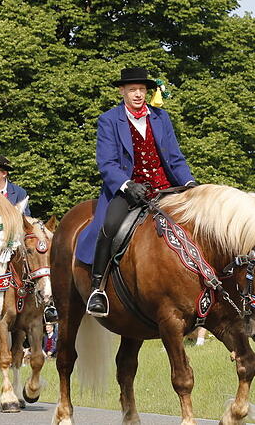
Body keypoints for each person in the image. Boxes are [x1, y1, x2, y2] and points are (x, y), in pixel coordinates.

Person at [79, 68, 196, 317]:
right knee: (109, 227)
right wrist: (127, 184)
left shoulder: (161, 117)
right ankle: (97, 288)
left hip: (165, 188)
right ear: (122, 91)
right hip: (128, 191)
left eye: (142, 89)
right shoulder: (109, 120)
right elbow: (107, 163)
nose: (138, 94)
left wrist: (189, 183)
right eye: (132, 90)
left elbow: (175, 158)